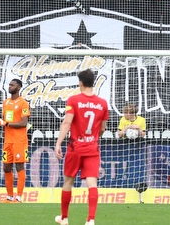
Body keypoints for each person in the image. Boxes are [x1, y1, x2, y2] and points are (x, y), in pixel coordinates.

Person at [54, 69, 109, 225]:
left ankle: (64, 218)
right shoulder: (102, 103)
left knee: (68, 182)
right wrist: (91, 139)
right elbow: (103, 128)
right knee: (92, 184)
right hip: (92, 148)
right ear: (93, 82)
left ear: (80, 83)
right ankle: (90, 220)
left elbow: (67, 122)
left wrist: (58, 143)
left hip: (75, 148)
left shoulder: (73, 100)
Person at [0, 78, 30, 202]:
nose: (10, 87)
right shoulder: (5, 102)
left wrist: (6, 123)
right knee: (6, 167)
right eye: (9, 85)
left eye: (12, 85)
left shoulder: (23, 103)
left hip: (19, 141)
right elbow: (6, 122)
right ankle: (9, 196)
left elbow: (24, 123)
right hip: (7, 141)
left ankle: (18, 197)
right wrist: (0, 122)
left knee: (19, 166)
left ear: (18, 87)